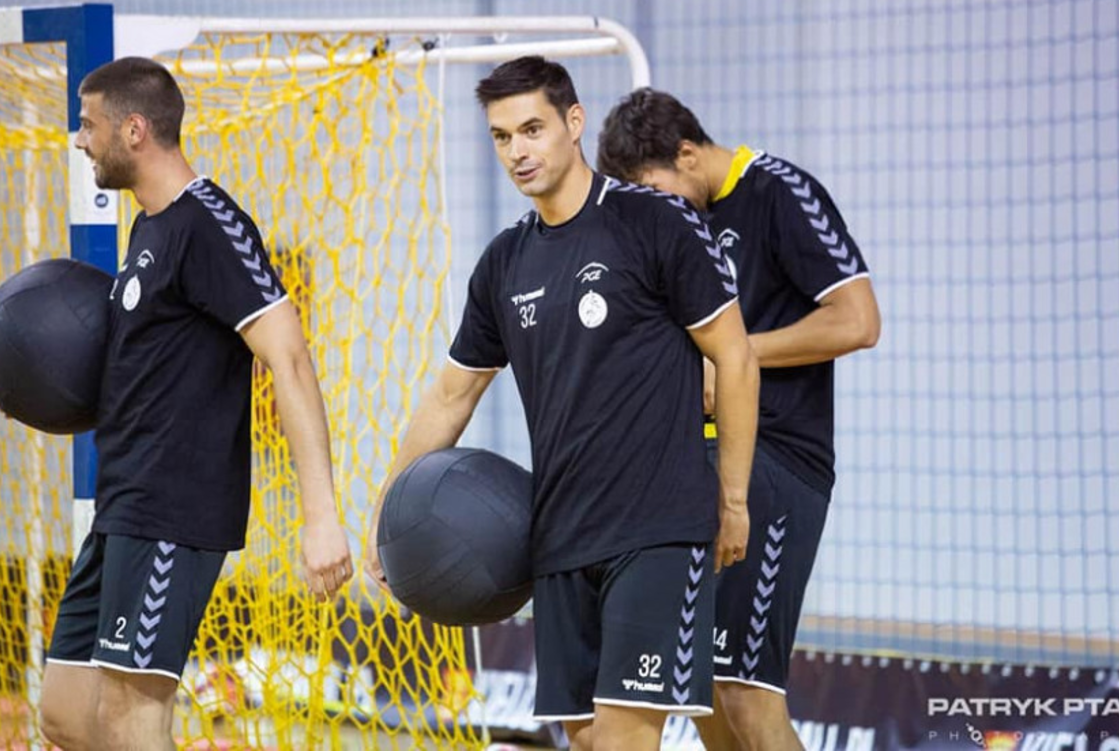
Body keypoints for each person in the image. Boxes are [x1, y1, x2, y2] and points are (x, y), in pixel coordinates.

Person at [366, 57, 760, 751]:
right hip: (556, 539)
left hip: (657, 529)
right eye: (501, 136)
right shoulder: (504, 262)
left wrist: (732, 499)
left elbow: (735, 357)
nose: (517, 151)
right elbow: (452, 395)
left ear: (573, 123)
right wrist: (384, 512)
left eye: (532, 129)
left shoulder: (653, 221)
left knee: (625, 737)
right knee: (584, 737)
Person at [37, 57, 353, 751]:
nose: (80, 139)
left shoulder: (208, 224)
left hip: (172, 509)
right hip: (123, 504)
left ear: (135, 130)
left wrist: (321, 517)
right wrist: (41, 391)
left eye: (88, 125)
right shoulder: (148, 228)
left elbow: (291, 360)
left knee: (132, 714)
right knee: (65, 712)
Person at [597, 88, 881, 751]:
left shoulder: (779, 192)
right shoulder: (675, 227)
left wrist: (735, 357)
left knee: (748, 693)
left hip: (778, 463)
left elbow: (859, 321)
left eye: (655, 189)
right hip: (695, 468)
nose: (656, 208)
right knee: (700, 686)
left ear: (688, 154)